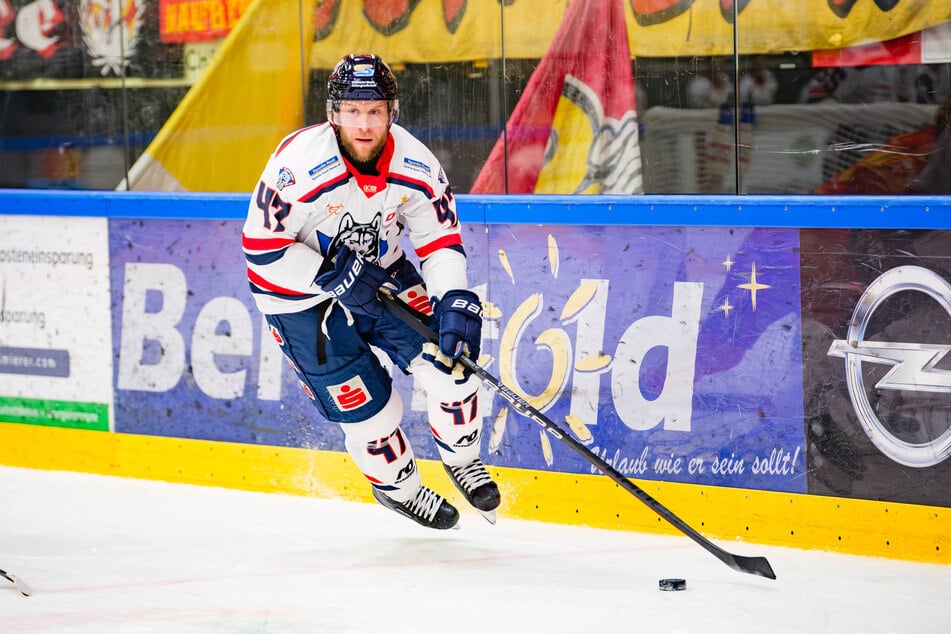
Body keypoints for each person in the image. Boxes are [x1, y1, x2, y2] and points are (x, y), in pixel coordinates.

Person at [241, 53, 500, 530]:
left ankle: (462, 459)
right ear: (332, 114)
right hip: (297, 299)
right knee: (373, 416)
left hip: (380, 274)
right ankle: (401, 490)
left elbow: (440, 241)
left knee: (453, 369)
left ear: (391, 112)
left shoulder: (417, 163)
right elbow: (261, 252)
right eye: (353, 111)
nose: (364, 123)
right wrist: (330, 273)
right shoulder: (297, 166)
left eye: (375, 110)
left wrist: (453, 299)